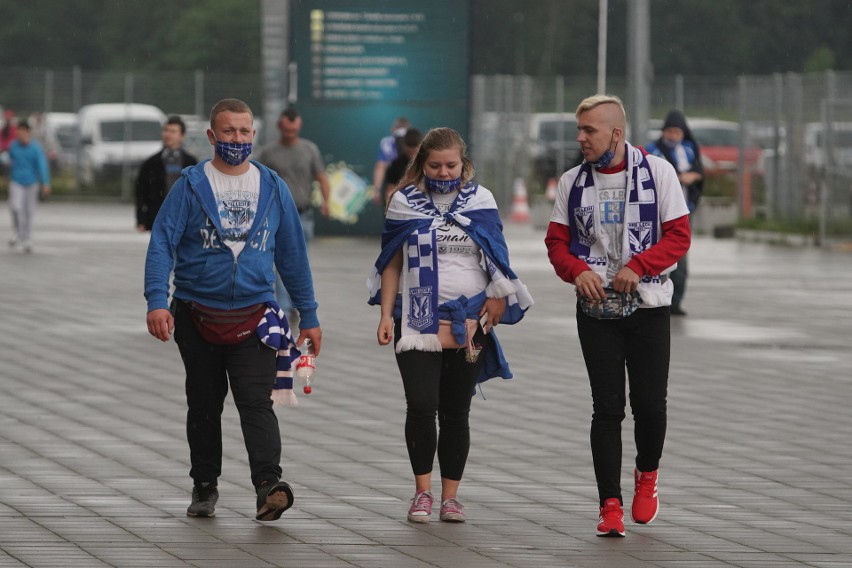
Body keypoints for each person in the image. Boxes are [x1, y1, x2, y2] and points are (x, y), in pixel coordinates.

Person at [144, 98, 322, 522]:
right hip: (195, 315)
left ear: (253, 136)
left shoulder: (273, 187)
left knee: (255, 403)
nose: (237, 140)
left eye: (244, 132)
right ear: (211, 136)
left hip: (257, 316)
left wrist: (309, 315)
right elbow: (162, 244)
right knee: (204, 403)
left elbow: (293, 256)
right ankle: (205, 485)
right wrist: (156, 301)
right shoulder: (189, 186)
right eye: (228, 132)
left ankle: (268, 486)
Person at [368, 127, 533, 524]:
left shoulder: (481, 200)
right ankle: (422, 492)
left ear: (464, 164)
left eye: (452, 165)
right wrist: (384, 315)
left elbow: (496, 254)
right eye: (435, 165)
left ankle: (451, 497)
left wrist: (497, 298)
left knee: (457, 412)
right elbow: (391, 262)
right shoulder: (403, 202)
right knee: (422, 406)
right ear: (421, 164)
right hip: (417, 318)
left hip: (470, 320)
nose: (444, 173)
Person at [544, 95, 690, 537]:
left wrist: (638, 266)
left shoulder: (657, 172)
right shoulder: (572, 181)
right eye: (579, 130)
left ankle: (647, 475)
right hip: (596, 312)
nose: (580, 138)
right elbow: (556, 243)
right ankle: (609, 505)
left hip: (649, 308)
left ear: (616, 133)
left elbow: (679, 235)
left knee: (649, 405)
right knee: (607, 408)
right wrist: (577, 271)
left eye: (589, 130)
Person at [257, 107, 330, 318]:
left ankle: (298, 303)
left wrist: (326, 201)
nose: (290, 134)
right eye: (287, 130)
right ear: (280, 127)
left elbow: (321, 176)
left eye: (294, 130)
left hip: (302, 214)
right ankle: (284, 308)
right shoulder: (268, 152)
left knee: (299, 262)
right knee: (280, 262)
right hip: (276, 215)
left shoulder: (309, 149)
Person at [645, 110, 703, 316]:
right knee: (658, 257)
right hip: (657, 213)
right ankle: (655, 299)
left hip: (683, 211)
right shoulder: (652, 150)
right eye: (669, 131)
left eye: (676, 131)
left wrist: (692, 176)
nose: (672, 136)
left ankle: (674, 303)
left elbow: (700, 172)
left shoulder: (689, 149)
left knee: (680, 260)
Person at [135, 115, 199, 232]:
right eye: (166, 130)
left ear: (182, 136)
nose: (168, 134)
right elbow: (141, 193)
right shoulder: (151, 163)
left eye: (173, 131)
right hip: (158, 215)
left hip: (184, 216)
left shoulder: (191, 162)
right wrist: (141, 220)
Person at [6, 121, 50, 253]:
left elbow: (41, 165)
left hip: (31, 183)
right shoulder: (13, 146)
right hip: (16, 182)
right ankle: (18, 233)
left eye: (23, 131)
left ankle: (27, 238)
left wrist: (45, 182)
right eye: (18, 131)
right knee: (15, 207)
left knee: (29, 212)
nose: (20, 134)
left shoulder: (35, 148)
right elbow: (8, 159)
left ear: (28, 132)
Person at [382, 127, 422, 205]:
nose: (412, 156)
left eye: (415, 152)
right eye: (410, 152)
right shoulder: (396, 164)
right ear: (404, 146)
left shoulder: (430, 162)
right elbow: (390, 190)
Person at [372, 116, 409, 198]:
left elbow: (381, 166)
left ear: (393, 129)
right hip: (410, 180)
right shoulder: (416, 140)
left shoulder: (386, 142)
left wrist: (377, 189)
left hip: (393, 181)